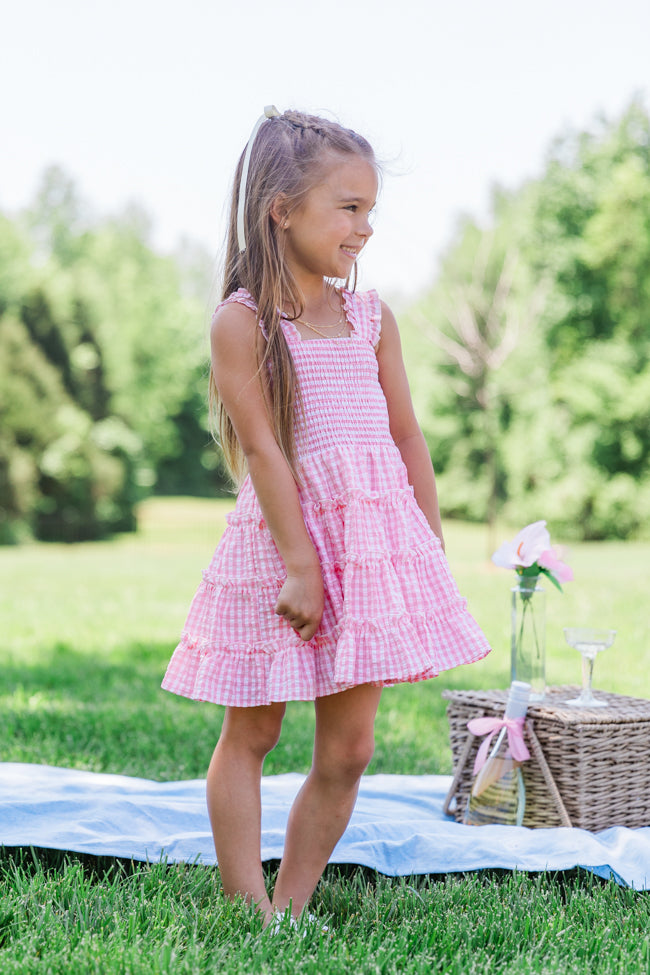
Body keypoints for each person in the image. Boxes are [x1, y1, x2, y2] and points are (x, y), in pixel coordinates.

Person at [162, 106, 491, 928]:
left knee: (350, 747)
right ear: (283, 209)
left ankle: (292, 906)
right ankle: (248, 911)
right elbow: (267, 455)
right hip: (283, 544)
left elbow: (406, 434)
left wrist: (427, 539)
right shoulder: (243, 323)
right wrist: (301, 563)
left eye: (370, 210)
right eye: (348, 208)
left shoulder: (372, 319)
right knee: (255, 730)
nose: (365, 228)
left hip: (373, 547)